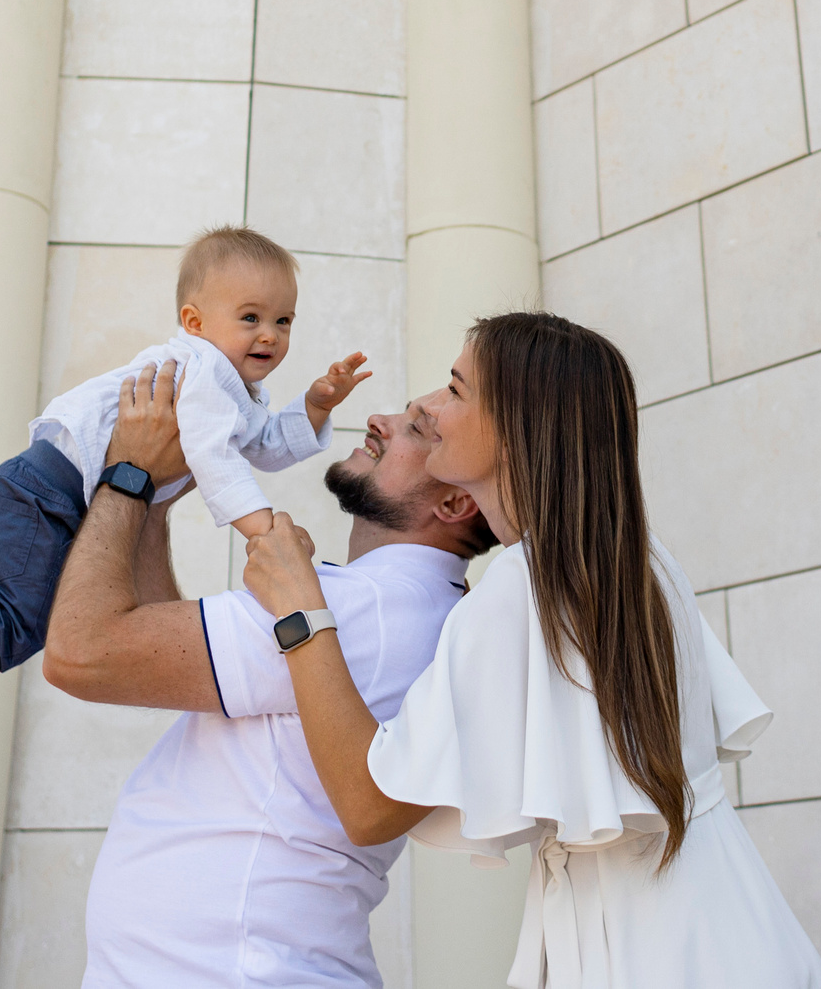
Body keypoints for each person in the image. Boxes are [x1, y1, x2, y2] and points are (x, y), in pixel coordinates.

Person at [243, 311, 821, 989]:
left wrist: (300, 606)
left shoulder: (524, 590)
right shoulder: (640, 561)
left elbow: (368, 806)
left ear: (518, 430)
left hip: (646, 955)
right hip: (736, 927)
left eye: (455, 390)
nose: (429, 407)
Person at [0, 225, 374, 754]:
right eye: (251, 318)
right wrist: (262, 530)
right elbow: (214, 456)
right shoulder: (202, 374)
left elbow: (262, 443)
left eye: (284, 321)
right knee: (14, 621)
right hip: (48, 499)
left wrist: (314, 407)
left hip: (27, 486)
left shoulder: (228, 387)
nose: (270, 335)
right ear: (195, 322)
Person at [45, 360, 499, 988]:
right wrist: (157, 495)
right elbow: (160, 655)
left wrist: (127, 474)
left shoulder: (362, 605)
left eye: (417, 429)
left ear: (454, 501)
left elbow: (83, 652)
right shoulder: (409, 606)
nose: (378, 419)